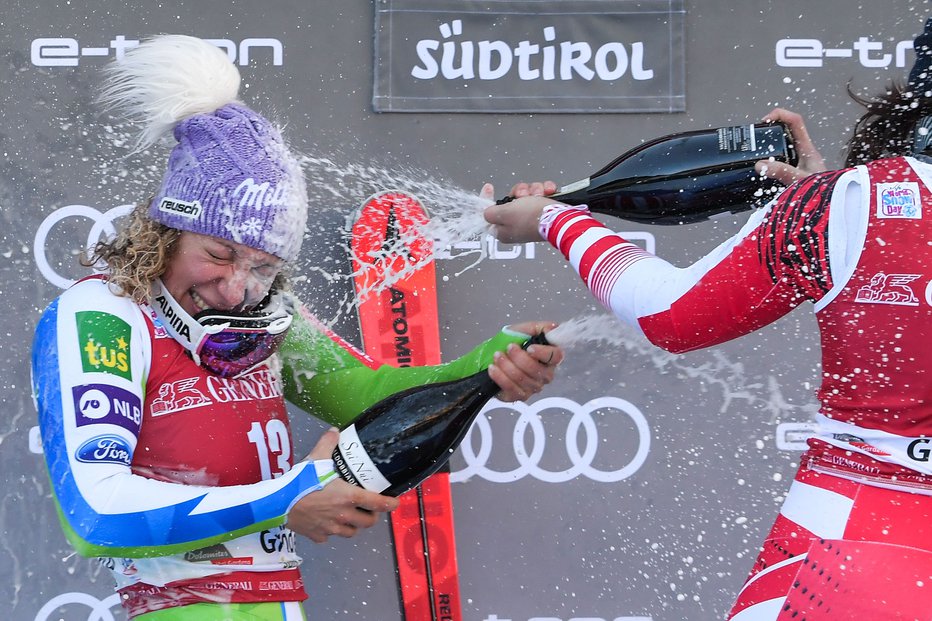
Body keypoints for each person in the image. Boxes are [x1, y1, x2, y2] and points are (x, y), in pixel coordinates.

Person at [30, 35, 563, 621]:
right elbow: (95, 513)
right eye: (218, 253)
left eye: (262, 266)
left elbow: (371, 397)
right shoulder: (104, 315)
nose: (235, 288)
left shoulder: (265, 316)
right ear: (167, 230)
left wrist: (495, 364)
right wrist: (290, 497)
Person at [481, 18, 932, 620]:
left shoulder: (856, 199)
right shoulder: (846, 198)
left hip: (850, 548)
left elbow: (671, 317)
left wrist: (555, 221)